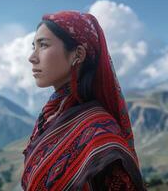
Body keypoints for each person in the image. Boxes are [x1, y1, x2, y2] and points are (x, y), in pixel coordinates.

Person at [21, 11, 146, 191]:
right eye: (34, 46)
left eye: (43, 45)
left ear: (78, 54)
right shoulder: (49, 117)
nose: (32, 57)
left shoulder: (100, 133)